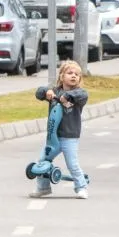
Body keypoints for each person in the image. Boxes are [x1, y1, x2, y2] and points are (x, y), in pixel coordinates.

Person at [29, 60, 89, 200]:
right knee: (43, 161)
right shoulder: (55, 91)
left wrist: (67, 97)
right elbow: (39, 93)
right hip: (53, 137)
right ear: (62, 76)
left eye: (76, 74)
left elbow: (81, 95)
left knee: (72, 164)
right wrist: (47, 92)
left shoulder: (79, 93)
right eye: (69, 73)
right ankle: (43, 188)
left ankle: (81, 187)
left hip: (69, 136)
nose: (73, 76)